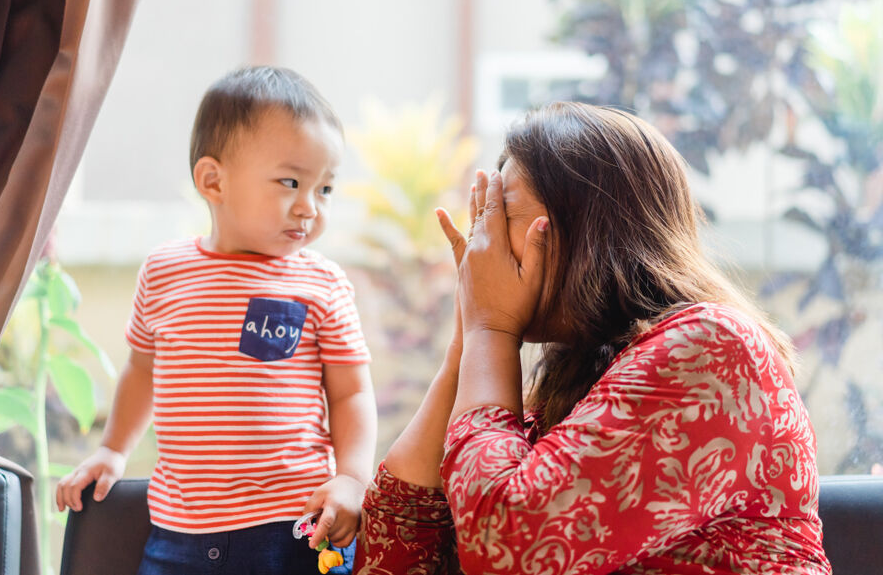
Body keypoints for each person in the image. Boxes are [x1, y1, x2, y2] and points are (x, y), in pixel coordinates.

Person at [356, 101, 831, 575]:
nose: (483, 240)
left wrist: (491, 330)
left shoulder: (714, 349)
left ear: (587, 227)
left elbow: (507, 548)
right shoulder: (571, 383)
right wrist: (467, 344)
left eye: (501, 214)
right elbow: (393, 547)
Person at [56, 66, 377, 575]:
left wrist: (353, 478)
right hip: (180, 533)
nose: (309, 207)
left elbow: (351, 393)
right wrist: (113, 449)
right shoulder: (164, 271)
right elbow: (142, 368)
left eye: (326, 189)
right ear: (213, 180)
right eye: (291, 182)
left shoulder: (323, 284)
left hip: (293, 529)